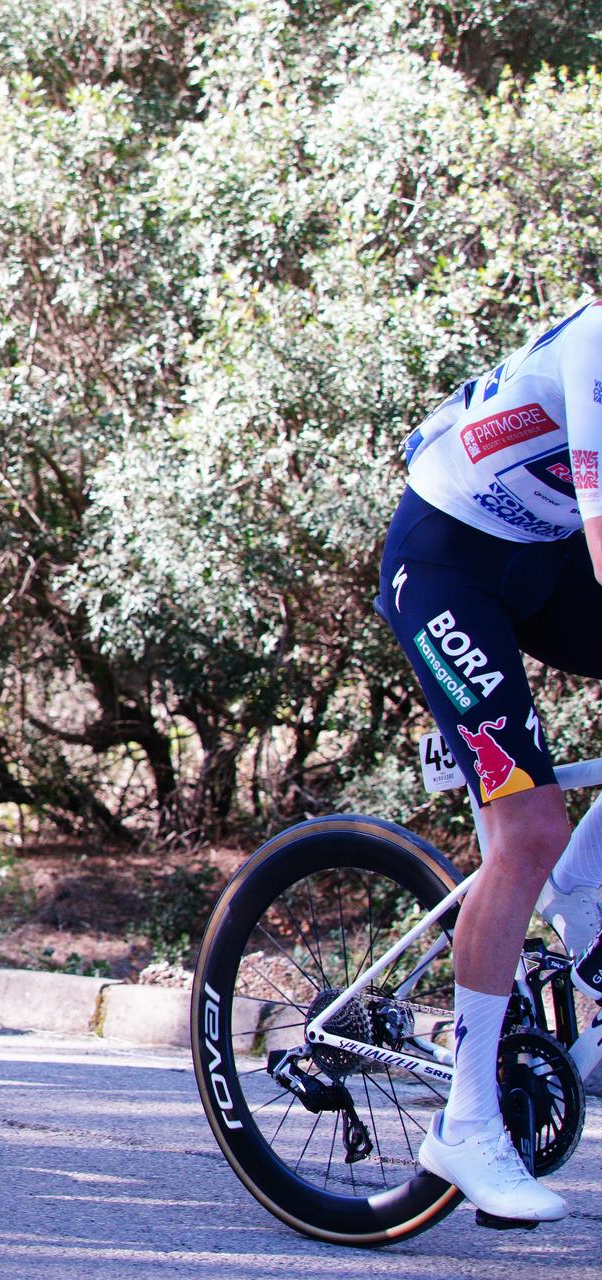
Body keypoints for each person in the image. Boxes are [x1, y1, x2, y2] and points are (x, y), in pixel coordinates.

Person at [378, 299, 602, 1223]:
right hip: (446, 568)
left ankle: (580, 907)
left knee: (548, 849)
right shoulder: (599, 343)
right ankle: (466, 1126)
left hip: (541, 565)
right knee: (529, 828)